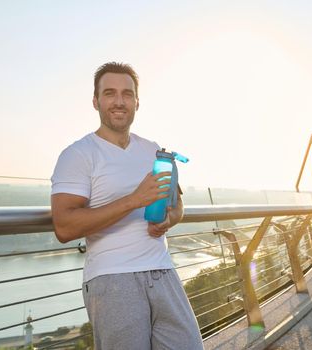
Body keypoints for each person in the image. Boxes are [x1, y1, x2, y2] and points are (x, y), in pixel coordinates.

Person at [51, 62, 203, 350]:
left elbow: (178, 203)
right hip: (112, 280)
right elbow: (64, 226)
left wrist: (169, 219)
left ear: (137, 102)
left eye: (127, 94)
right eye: (110, 93)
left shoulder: (152, 149)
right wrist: (134, 200)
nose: (119, 101)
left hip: (163, 271)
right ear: (96, 101)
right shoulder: (78, 154)